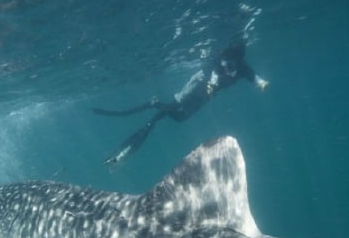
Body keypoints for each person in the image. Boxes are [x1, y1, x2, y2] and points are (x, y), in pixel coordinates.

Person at [93, 40, 269, 166]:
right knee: (175, 105)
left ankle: (157, 105)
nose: (230, 66)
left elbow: (254, 77)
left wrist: (261, 83)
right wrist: (212, 84)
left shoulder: (242, 67)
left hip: (208, 93)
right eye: (228, 62)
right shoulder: (219, 60)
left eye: (234, 63)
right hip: (199, 84)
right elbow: (214, 75)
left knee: (181, 117)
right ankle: (157, 106)